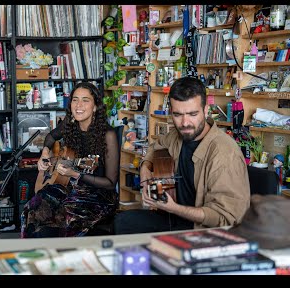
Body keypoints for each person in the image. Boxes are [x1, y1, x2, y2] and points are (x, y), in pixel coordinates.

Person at [114, 77, 250, 234]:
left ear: (206, 110)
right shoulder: (177, 135)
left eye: (192, 114)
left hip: (202, 230)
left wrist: (175, 208)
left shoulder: (225, 154)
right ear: (171, 111)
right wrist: (145, 169)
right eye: (178, 115)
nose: (185, 123)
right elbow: (155, 147)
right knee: (121, 222)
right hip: (171, 216)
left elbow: (227, 218)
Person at [21, 82, 119, 238]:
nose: (79, 105)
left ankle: (65, 257)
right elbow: (51, 136)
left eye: (85, 100)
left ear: (95, 107)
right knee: (33, 207)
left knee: (62, 214)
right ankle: (36, 256)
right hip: (69, 186)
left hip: (98, 195)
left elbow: (110, 183)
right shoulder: (70, 123)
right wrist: (45, 153)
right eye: (75, 99)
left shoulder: (108, 135)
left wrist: (76, 174)